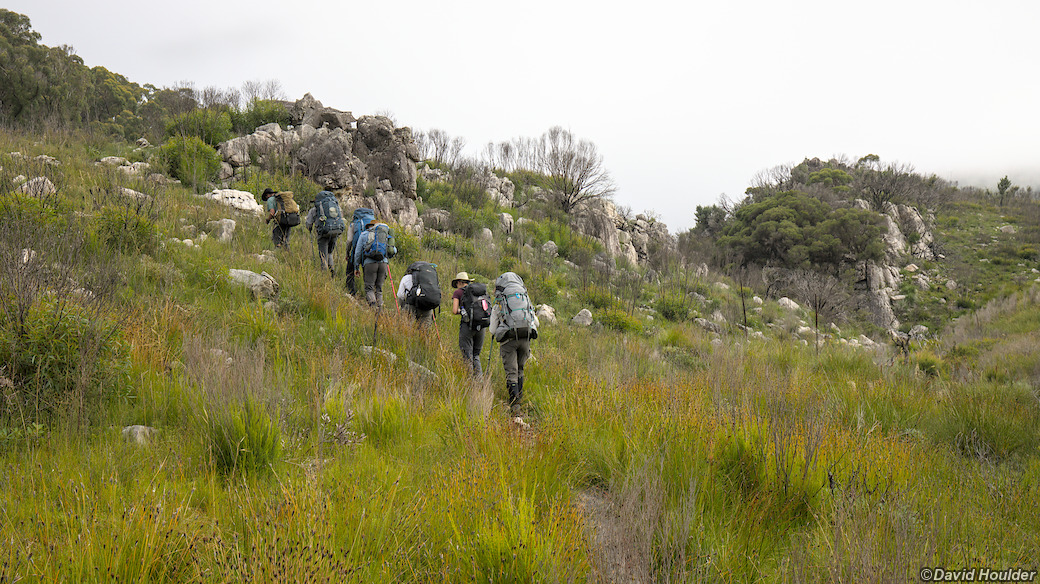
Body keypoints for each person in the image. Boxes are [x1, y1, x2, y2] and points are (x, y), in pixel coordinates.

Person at [489, 272, 539, 413]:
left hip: (508, 341)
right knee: (520, 370)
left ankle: (515, 406)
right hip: (525, 338)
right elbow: (536, 322)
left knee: (511, 372)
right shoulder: (525, 299)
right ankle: (520, 399)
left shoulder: (500, 303)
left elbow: (492, 330)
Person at [451, 272, 486, 377]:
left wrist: (462, 311)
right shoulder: (478, 292)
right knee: (476, 355)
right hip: (481, 326)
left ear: (460, 282)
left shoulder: (458, 292)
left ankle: (469, 381)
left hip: (467, 326)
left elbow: (454, 310)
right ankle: (479, 381)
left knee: (467, 355)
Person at [352, 219, 393, 308]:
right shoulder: (385, 235)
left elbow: (358, 253)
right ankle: (380, 310)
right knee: (379, 289)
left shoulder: (364, 235)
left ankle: (373, 307)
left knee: (369, 288)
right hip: (383, 264)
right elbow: (393, 250)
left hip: (369, 263)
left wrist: (356, 267)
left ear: (369, 226)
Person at [305, 190, 345, 278]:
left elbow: (308, 224)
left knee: (323, 254)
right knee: (330, 252)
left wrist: (310, 228)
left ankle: (324, 274)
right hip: (335, 232)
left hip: (323, 233)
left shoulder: (314, 209)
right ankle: (332, 270)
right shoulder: (336, 206)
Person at [397, 263, 439, 327]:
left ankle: (408, 336)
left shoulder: (406, 278)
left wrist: (403, 306)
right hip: (427, 305)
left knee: (407, 328)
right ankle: (423, 336)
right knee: (424, 330)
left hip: (411, 304)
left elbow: (400, 295)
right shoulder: (431, 279)